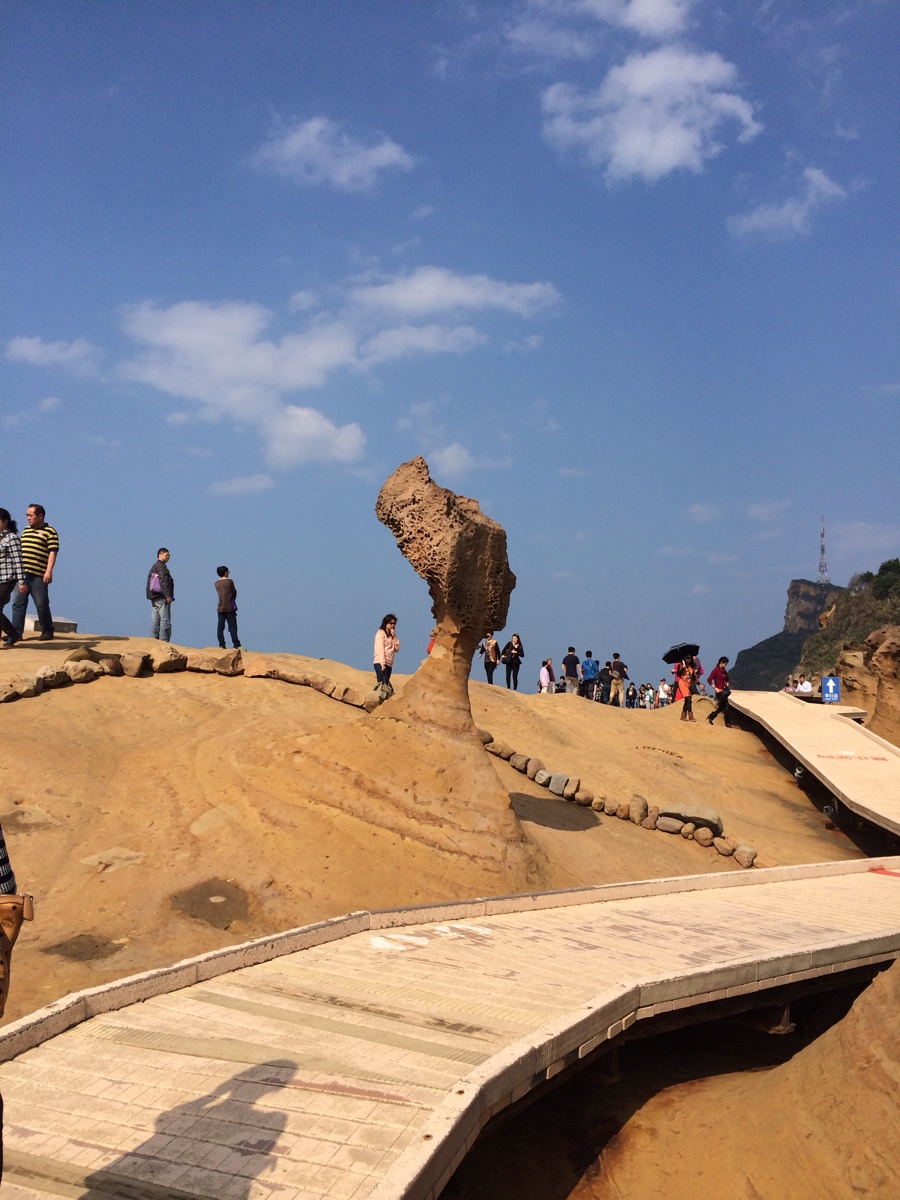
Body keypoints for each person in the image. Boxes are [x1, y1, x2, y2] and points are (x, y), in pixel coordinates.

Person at [10, 503, 58, 642]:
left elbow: (53, 552)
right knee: (18, 603)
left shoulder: (50, 531)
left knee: (41, 603)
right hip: (22, 574)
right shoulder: (26, 530)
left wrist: (49, 571)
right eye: (27, 515)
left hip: (38, 574)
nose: (28, 518)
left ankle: (48, 630)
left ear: (40, 516)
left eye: (30, 515)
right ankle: (16, 633)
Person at [0, 509, 26, 649]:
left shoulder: (12, 538)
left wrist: (21, 581)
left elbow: (18, 561)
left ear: (5, 522)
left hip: (7, 578)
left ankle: (13, 634)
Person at [147, 548, 174, 642]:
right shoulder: (161, 566)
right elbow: (163, 581)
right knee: (165, 619)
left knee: (155, 619)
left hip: (154, 596)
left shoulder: (155, 566)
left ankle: (153, 639)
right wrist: (168, 595)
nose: (168, 557)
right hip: (161, 596)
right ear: (160, 555)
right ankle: (164, 640)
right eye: (167, 555)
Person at [215, 566, 241, 650]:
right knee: (233, 626)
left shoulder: (217, 583)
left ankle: (221, 644)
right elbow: (234, 592)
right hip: (229, 607)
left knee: (220, 626)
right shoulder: (229, 582)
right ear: (225, 573)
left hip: (220, 607)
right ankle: (236, 644)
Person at [374, 613, 400, 693]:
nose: (392, 625)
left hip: (389, 663)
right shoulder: (381, 633)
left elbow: (396, 649)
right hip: (380, 662)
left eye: (394, 624)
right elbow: (380, 649)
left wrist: (394, 637)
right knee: (382, 684)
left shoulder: (391, 635)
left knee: (386, 684)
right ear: (386, 623)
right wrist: (382, 663)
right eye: (390, 623)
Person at [707, 656, 732, 727]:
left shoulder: (724, 671)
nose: (725, 665)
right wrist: (715, 688)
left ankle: (712, 716)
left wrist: (727, 684)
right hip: (719, 692)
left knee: (722, 706)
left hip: (724, 691)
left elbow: (727, 679)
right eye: (725, 664)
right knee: (726, 706)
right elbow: (709, 680)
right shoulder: (715, 670)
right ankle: (728, 723)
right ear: (721, 662)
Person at [676, 657, 697, 722]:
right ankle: (691, 716)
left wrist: (698, 683)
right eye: (687, 658)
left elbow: (693, 677)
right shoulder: (681, 665)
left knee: (687, 700)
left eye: (689, 658)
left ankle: (683, 716)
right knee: (688, 699)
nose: (688, 659)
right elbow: (678, 674)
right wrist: (682, 668)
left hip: (688, 685)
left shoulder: (692, 667)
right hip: (682, 683)